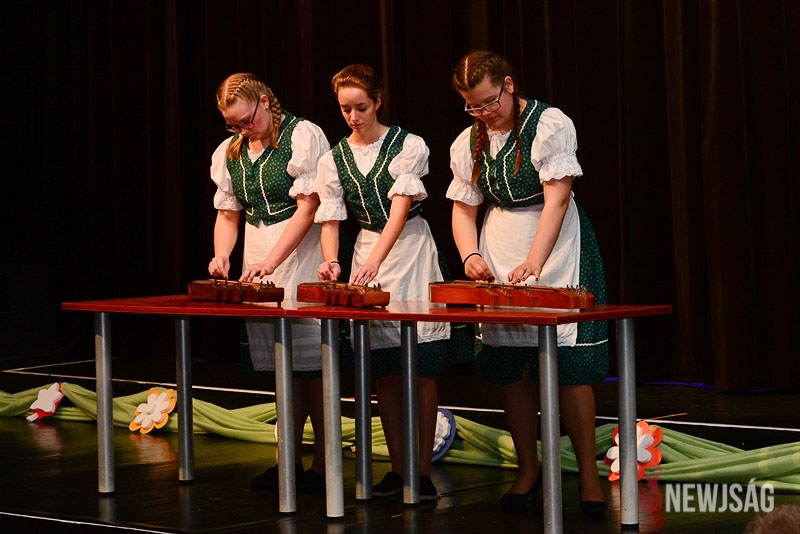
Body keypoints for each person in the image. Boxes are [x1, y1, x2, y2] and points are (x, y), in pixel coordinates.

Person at [448, 51, 609, 516]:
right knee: (511, 364)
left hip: (556, 246)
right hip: (500, 245)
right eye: (472, 106)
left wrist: (536, 261)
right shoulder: (468, 142)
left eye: (489, 102)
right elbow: (464, 208)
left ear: (509, 85)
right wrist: (471, 254)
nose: (483, 113)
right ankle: (528, 468)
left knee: (569, 368)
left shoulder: (549, 124)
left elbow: (558, 198)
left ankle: (589, 478)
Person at [315, 64, 466, 501]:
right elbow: (330, 219)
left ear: (377, 102)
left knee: (419, 366)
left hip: (409, 252)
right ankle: (398, 468)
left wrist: (375, 261)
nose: (353, 116)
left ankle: (421, 471)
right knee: (384, 370)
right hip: (366, 249)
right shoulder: (333, 159)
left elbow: (399, 211)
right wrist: (331, 261)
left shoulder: (407, 145)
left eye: (361, 107)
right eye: (345, 109)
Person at [208, 72, 329, 493]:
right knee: (283, 368)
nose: (243, 130)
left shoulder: (302, 135)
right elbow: (228, 213)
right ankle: (287, 461)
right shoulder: (231, 151)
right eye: (234, 125)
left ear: (264, 101)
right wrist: (223, 254)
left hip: (301, 253)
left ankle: (323, 465)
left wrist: (273, 261)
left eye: (247, 120)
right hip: (256, 255)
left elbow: (309, 207)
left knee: (313, 367)